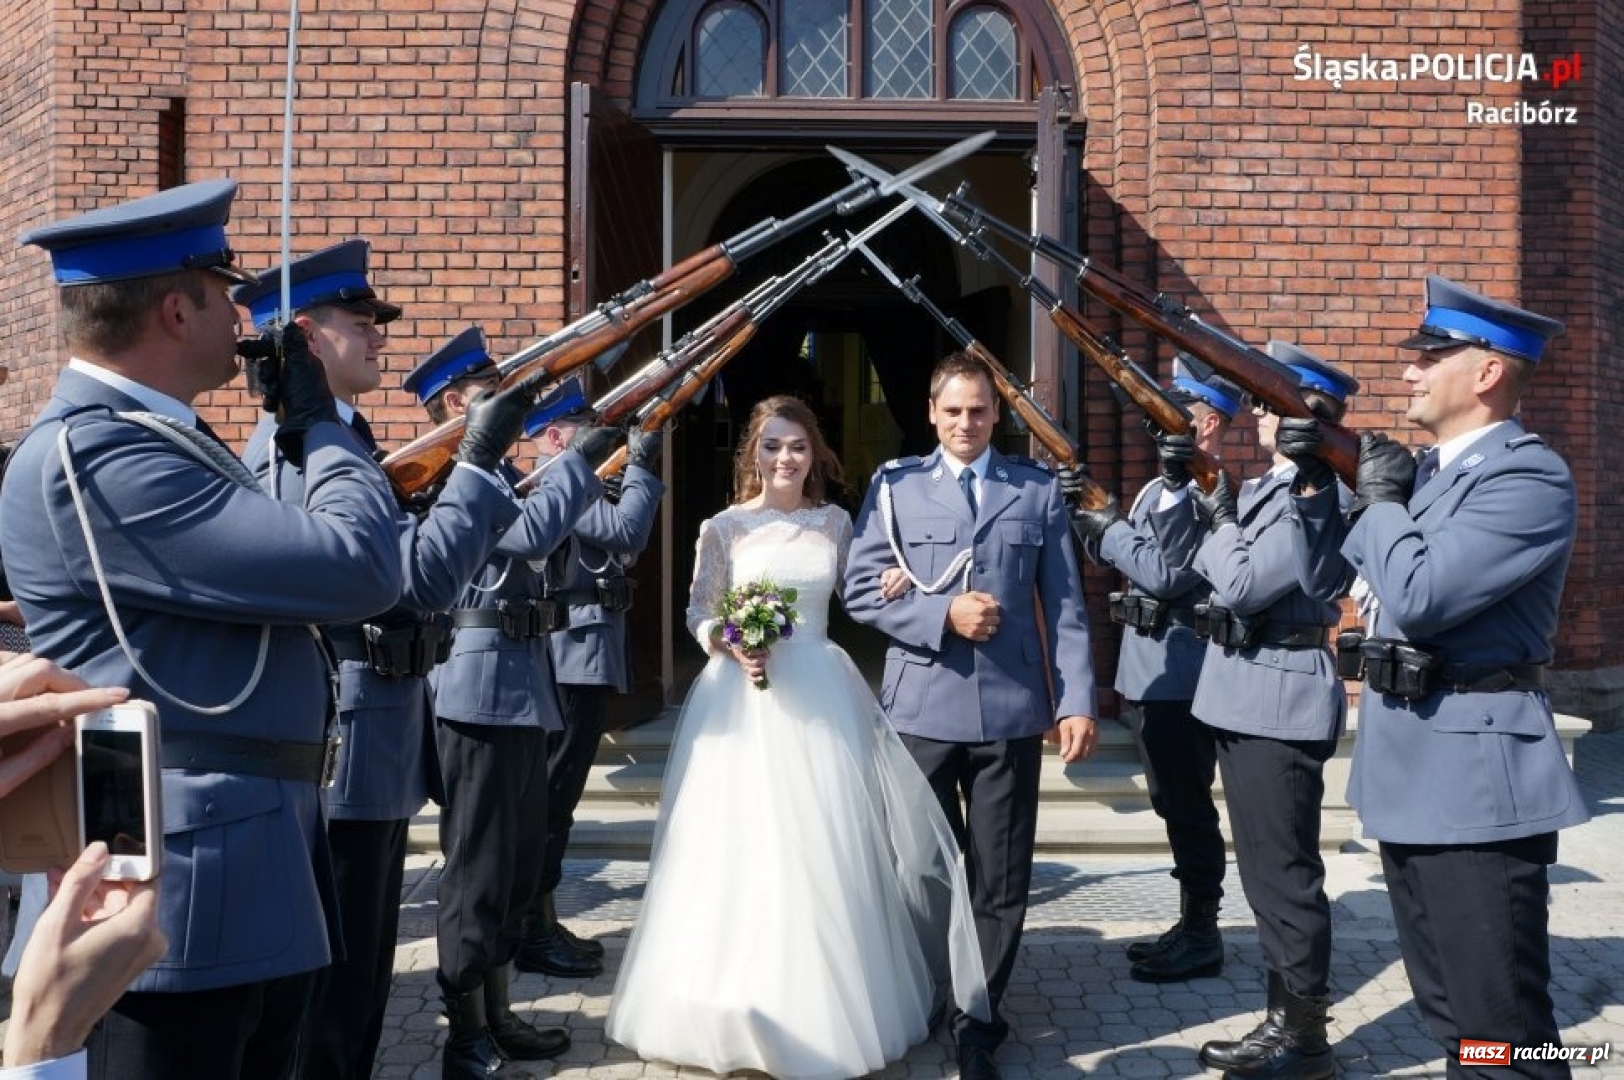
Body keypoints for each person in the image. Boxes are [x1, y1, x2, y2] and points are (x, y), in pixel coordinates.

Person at [0, 180, 406, 1078]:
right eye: (229, 292)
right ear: (177, 310)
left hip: (236, 853)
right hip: (173, 880)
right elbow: (359, 568)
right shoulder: (99, 453)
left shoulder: (155, 437)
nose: (244, 315)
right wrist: (323, 428)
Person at [607, 394, 989, 1079]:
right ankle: (727, 1001)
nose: (786, 458)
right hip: (741, 704)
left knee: (822, 848)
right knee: (738, 848)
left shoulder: (836, 523)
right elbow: (699, 607)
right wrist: (727, 642)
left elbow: (860, 593)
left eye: (798, 447)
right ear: (752, 453)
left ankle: (825, 1004)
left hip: (820, 690)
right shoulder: (723, 527)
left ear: (816, 456)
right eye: (773, 445)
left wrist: (897, 584)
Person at [234, 245, 532, 1080]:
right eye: (357, 323)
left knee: (360, 989)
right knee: (334, 999)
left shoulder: (346, 444)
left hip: (378, 738)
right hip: (345, 748)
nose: (377, 337)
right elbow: (414, 582)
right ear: (303, 338)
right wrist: (475, 466)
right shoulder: (295, 455)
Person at [1287, 277, 1588, 1078]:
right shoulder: (1424, 477)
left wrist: (1379, 500)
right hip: (1413, 771)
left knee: (1504, 1029)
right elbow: (1322, 581)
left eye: (1430, 357)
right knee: (1453, 1019)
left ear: (1486, 372)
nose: (1410, 372)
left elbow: (1421, 595)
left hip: (1475, 787)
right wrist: (1321, 485)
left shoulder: (1527, 478)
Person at [843, 353, 1098, 1080]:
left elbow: (1069, 607)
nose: (966, 423)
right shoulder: (896, 486)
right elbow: (859, 590)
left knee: (1000, 875)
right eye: (953, 410)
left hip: (1011, 711)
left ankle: (977, 1019)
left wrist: (1075, 696)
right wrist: (941, 615)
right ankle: (930, 983)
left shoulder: (1035, 490)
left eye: (979, 410)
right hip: (921, 705)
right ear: (931, 412)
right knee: (922, 864)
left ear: (998, 415)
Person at [407, 348, 612, 1077]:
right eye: (490, 392)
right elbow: (530, 537)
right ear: (456, 406)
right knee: (478, 874)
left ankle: (494, 1016)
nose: (507, 402)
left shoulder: (489, 475)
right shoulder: (446, 476)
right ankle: (463, 1037)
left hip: (520, 686)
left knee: (518, 863)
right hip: (476, 692)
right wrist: (585, 458)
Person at [1187, 342, 1357, 1080]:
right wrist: (1221, 512)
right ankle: (1285, 1022)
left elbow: (1245, 584)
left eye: (1268, 401)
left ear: (1303, 412)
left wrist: (1217, 519)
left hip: (1279, 698)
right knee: (1263, 875)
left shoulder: (1321, 493)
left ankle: (1305, 1039)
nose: (1255, 413)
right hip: (1246, 692)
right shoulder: (1271, 488)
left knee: (1284, 876)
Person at [1060, 367, 1242, 983]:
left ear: (1209, 422)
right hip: (1148, 672)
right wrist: (1099, 518)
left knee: (1188, 805)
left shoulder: (1210, 492)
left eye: (1179, 411)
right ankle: (1191, 922)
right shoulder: (1164, 488)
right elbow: (1136, 556)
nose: (1163, 422)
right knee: (1172, 802)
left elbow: (1164, 575)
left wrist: (1107, 528)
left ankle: (1203, 933)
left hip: (1180, 675)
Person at [512, 404, 664, 979]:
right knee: (553, 797)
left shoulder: (579, 484)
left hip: (585, 650)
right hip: (569, 653)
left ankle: (540, 918)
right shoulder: (559, 481)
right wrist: (644, 471)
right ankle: (531, 925)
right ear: (554, 435)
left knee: (560, 798)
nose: (602, 440)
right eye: (584, 428)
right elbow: (628, 532)